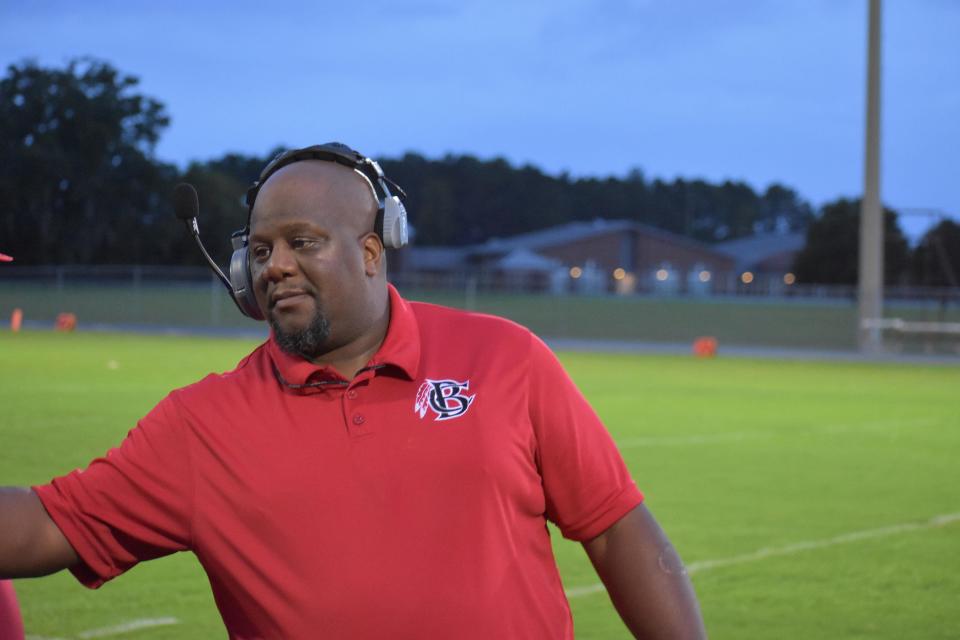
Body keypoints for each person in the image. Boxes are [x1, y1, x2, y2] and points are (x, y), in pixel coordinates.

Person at [0, 144, 706, 639]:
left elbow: (616, 530)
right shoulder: (201, 424)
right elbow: (47, 524)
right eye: (260, 249)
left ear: (373, 251)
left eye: (302, 242)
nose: (275, 266)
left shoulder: (506, 358)